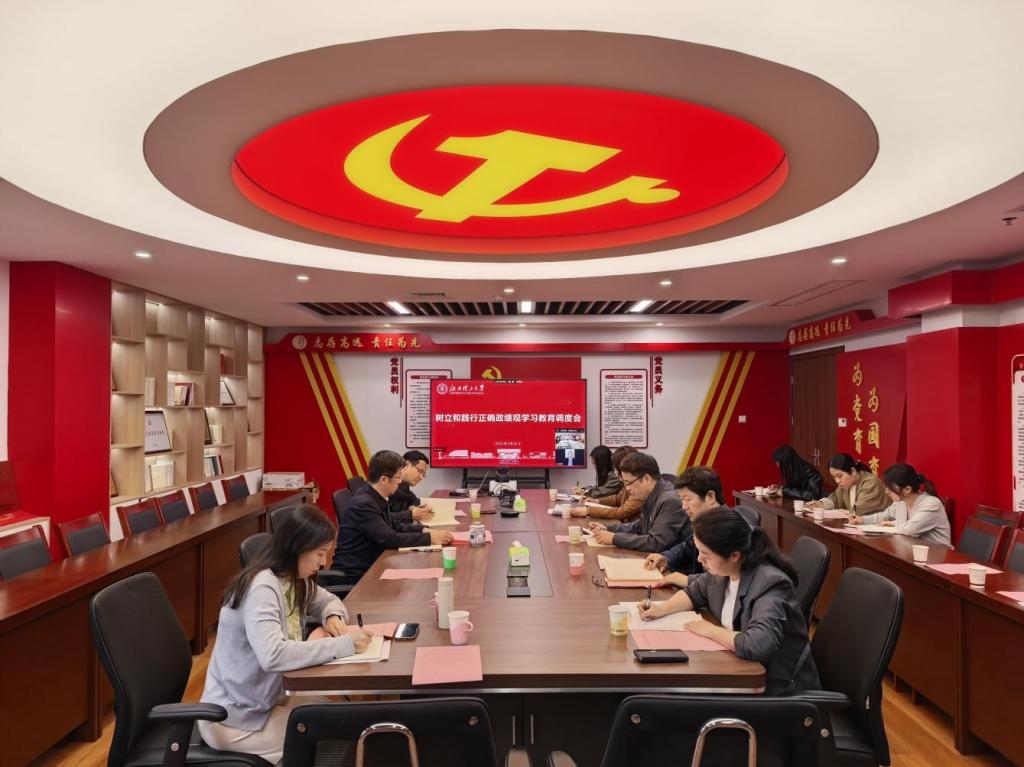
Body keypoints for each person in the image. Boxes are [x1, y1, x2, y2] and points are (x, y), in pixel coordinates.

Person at [198, 505, 373, 763]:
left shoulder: (291, 579)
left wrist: (332, 616)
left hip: (266, 701)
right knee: (341, 730)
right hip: (234, 719)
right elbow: (274, 655)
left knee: (343, 717)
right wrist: (344, 645)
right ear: (298, 547)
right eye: (320, 553)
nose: (323, 563)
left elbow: (327, 600)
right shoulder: (262, 588)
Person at [640, 507, 820, 694]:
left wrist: (710, 630)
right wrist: (661, 609)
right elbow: (694, 592)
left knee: (659, 696)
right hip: (736, 670)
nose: (700, 560)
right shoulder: (725, 571)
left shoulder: (770, 583)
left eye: (706, 555)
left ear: (735, 555)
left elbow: (757, 645)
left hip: (775, 691)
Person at [333, 450, 453, 577]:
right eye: (398, 477)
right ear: (384, 479)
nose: (400, 482)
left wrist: (424, 530)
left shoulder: (375, 496)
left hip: (373, 565)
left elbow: (394, 525)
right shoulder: (363, 504)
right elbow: (389, 539)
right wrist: (430, 538)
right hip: (356, 575)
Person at [586, 451, 686, 552]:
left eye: (628, 483)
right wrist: (608, 528)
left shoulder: (670, 501)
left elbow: (656, 542)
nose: (627, 488)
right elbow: (640, 526)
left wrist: (614, 538)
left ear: (646, 479)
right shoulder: (651, 493)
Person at [644, 466, 724, 586]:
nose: (684, 506)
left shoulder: (727, 530)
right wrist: (666, 557)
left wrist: (686, 580)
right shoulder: (705, 521)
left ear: (710, 497)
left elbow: (724, 579)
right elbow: (687, 547)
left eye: (688, 499)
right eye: (682, 499)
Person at [847, 463, 952, 546]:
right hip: (910, 552)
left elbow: (910, 530)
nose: (886, 492)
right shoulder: (901, 502)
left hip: (937, 556)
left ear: (907, 489)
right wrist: (862, 520)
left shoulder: (931, 504)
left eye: (890, 488)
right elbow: (883, 516)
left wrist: (894, 523)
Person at [571, 446, 642, 522]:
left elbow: (622, 512)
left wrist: (589, 511)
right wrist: (597, 501)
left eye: (617, 469)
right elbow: (617, 498)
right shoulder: (628, 482)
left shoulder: (639, 487)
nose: (615, 472)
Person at [807, 453, 888, 516]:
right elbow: (834, 499)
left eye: (840, 476)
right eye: (834, 477)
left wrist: (842, 511)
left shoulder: (871, 482)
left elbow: (859, 510)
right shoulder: (845, 484)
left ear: (853, 471)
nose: (837, 481)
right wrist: (820, 504)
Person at [388, 450, 435, 531]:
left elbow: (416, 501)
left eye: (423, 474)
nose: (421, 477)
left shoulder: (405, 488)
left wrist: (416, 507)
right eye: (420, 471)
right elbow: (381, 519)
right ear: (407, 465)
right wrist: (410, 514)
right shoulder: (388, 487)